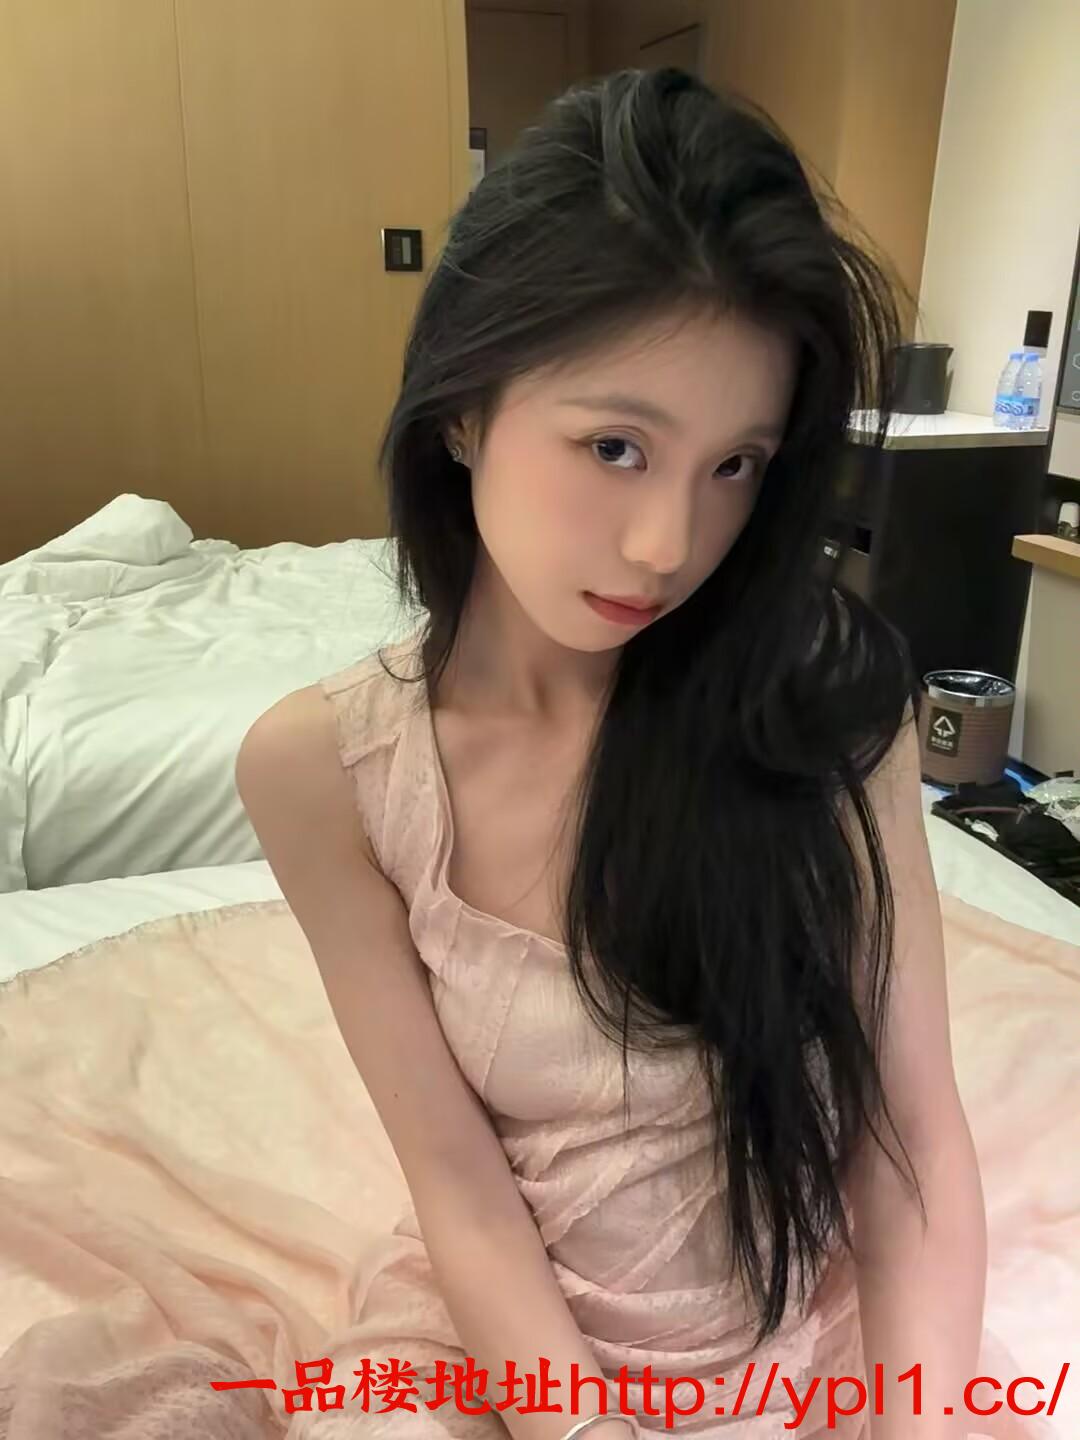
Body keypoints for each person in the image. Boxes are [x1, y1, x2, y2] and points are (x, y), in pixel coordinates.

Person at [236, 68, 990, 1439]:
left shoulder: (822, 707)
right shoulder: (326, 774)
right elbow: (460, 1187)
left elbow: (909, 1139)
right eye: (614, 446)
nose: (667, 546)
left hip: (788, 1339)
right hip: (513, 1355)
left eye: (736, 465)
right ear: (463, 409)